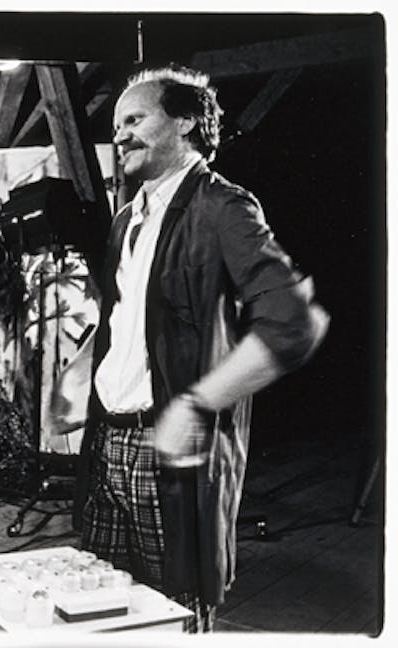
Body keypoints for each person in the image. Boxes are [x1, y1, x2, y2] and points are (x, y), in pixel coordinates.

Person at [79, 65, 329, 632]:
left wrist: (197, 404)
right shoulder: (127, 220)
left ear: (186, 122)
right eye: (116, 125)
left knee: (176, 616)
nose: (120, 135)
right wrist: (76, 383)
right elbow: (126, 319)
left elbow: (294, 322)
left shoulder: (223, 207)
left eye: (135, 119)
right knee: (105, 618)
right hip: (107, 445)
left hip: (166, 453)